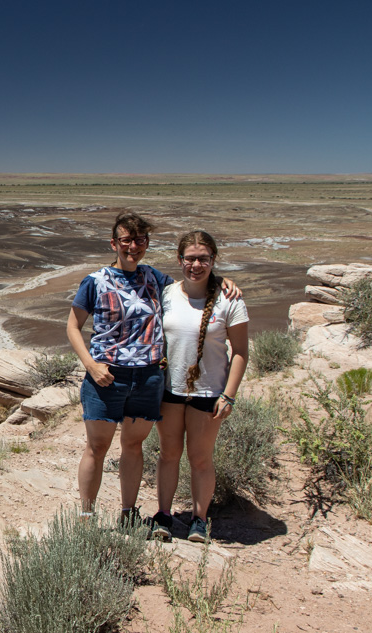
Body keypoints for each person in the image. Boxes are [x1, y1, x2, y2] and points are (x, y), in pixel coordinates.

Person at [67, 214, 238, 526]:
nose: (134, 246)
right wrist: (90, 365)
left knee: (133, 445)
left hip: (147, 379)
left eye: (140, 240)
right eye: (126, 240)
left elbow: (192, 283)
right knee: (97, 447)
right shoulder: (94, 281)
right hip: (106, 377)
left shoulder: (155, 278)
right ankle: (86, 517)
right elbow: (73, 326)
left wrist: (221, 281)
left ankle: (128, 513)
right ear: (114, 243)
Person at [151, 230, 249, 543]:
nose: (196, 264)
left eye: (203, 259)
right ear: (180, 260)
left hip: (209, 392)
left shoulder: (229, 299)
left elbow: (241, 352)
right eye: (190, 258)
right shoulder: (167, 293)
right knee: (168, 454)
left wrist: (229, 395)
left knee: (201, 459)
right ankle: (164, 516)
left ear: (213, 260)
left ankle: (199, 519)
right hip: (170, 389)